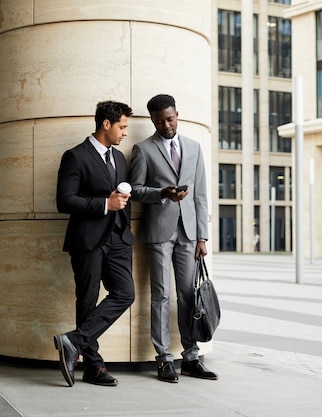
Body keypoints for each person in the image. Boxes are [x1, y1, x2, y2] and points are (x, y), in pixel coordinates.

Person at [127, 94, 217, 383]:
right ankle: (164, 359)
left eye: (170, 118)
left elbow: (201, 195)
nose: (166, 125)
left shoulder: (193, 148)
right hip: (158, 234)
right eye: (160, 120)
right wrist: (161, 193)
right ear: (152, 120)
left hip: (189, 235)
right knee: (161, 295)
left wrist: (202, 237)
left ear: (177, 114)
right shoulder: (144, 149)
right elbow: (136, 190)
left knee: (188, 295)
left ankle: (190, 357)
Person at [54, 100, 136, 387]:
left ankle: (72, 341)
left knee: (125, 293)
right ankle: (93, 366)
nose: (125, 133)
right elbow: (64, 201)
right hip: (87, 240)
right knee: (87, 301)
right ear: (106, 124)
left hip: (117, 239)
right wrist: (105, 204)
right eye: (122, 126)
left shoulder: (120, 158)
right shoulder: (75, 156)